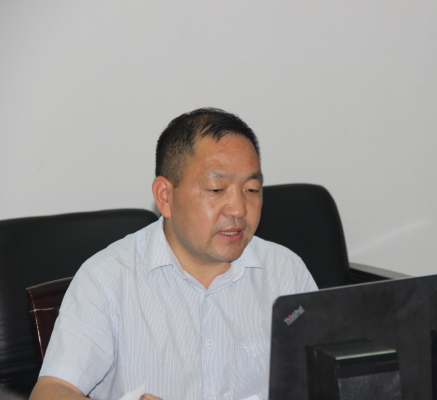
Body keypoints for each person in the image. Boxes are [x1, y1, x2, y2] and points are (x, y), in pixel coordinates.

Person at [30, 108, 318, 400]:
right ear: (165, 196)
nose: (239, 209)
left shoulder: (286, 273)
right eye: (216, 189)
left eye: (252, 189)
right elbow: (51, 391)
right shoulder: (106, 280)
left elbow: (323, 378)